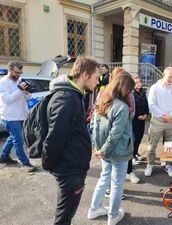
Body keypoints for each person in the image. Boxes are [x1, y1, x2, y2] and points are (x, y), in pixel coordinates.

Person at [42, 56, 99, 225]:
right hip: (69, 170)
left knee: (66, 215)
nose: (98, 82)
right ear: (85, 75)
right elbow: (54, 138)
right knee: (64, 217)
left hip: (72, 166)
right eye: (96, 77)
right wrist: (49, 163)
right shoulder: (66, 99)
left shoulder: (74, 95)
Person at [88, 73, 135, 225]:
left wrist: (99, 148)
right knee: (116, 184)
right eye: (130, 90)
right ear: (124, 89)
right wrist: (102, 150)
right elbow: (116, 135)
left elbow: (93, 127)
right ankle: (113, 216)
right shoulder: (122, 107)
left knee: (104, 178)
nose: (131, 93)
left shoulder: (102, 99)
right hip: (117, 151)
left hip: (104, 149)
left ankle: (94, 209)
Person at [145, 67, 172, 177]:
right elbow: (151, 103)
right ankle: (150, 164)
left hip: (171, 121)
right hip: (157, 120)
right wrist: (162, 116)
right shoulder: (155, 87)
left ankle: (167, 164)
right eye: (169, 76)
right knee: (152, 144)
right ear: (164, 74)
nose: (171, 79)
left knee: (170, 144)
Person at [0, 61, 36, 172]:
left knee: (13, 137)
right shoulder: (3, 83)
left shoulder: (19, 81)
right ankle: (25, 163)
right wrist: (19, 90)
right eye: (16, 72)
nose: (18, 75)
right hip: (10, 117)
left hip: (21, 115)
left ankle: (3, 156)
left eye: (20, 72)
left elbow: (28, 98)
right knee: (18, 141)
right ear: (10, 70)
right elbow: (7, 100)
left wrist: (26, 92)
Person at [127, 75, 149, 183]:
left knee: (140, 137)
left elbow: (146, 105)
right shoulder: (131, 94)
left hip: (143, 119)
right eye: (136, 82)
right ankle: (132, 156)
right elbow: (131, 109)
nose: (138, 84)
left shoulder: (143, 93)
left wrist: (146, 114)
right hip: (135, 121)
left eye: (139, 82)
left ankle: (135, 154)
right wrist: (137, 116)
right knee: (134, 139)